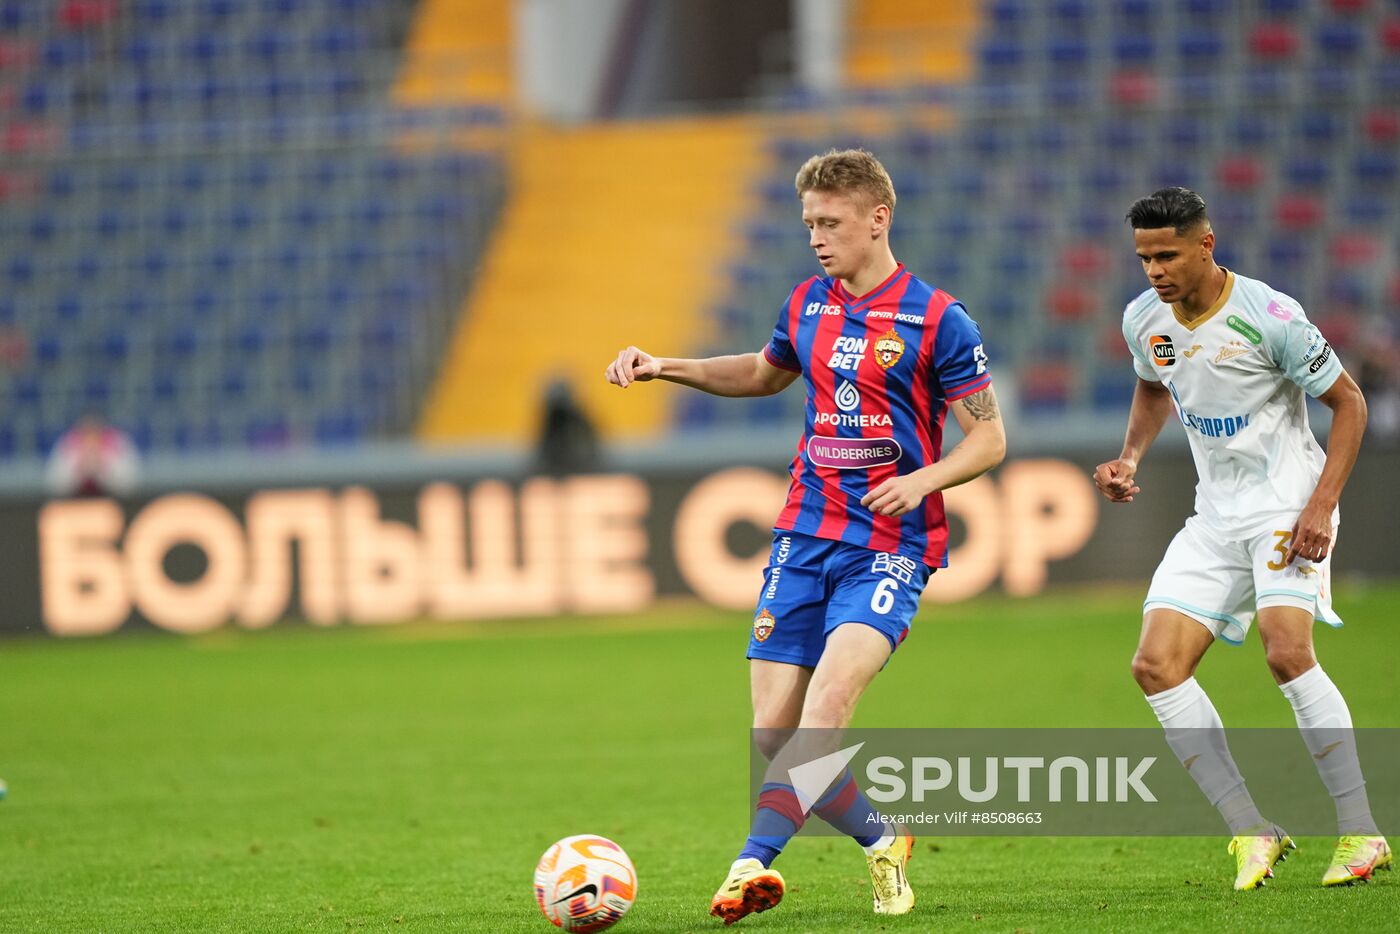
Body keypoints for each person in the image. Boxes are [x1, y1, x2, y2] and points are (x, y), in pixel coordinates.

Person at [605, 149, 1006, 923]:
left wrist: (921, 482)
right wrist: (665, 366)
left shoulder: (938, 318)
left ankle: (750, 864)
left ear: (877, 218)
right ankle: (883, 842)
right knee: (777, 741)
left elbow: (988, 440)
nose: (816, 239)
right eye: (808, 225)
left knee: (824, 715)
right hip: (803, 538)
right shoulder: (807, 305)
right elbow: (763, 372)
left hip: (890, 547)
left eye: (830, 223)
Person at [1094, 187, 1389, 890]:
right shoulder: (1144, 319)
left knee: (1286, 652)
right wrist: (1130, 456)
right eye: (1144, 257)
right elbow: (1153, 385)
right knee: (1155, 665)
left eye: (1167, 254)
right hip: (1216, 514)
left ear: (1206, 244)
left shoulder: (1270, 316)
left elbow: (1350, 402)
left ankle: (1362, 831)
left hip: (1288, 503)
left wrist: (1321, 505)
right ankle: (1251, 830)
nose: (1155, 270)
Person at [44, 413, 140, 498]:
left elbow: (130, 484)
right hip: (73, 506)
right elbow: (54, 485)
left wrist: (103, 466)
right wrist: (79, 467)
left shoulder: (117, 443)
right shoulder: (68, 444)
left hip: (111, 504)